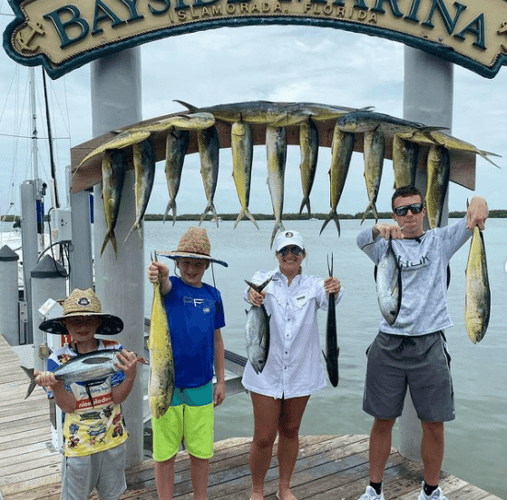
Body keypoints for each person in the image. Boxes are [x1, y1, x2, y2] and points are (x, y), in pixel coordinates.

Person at [356, 185, 488, 500]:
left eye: (415, 208)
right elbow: (361, 239)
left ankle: (430, 490)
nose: (409, 216)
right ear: (393, 214)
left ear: (424, 211)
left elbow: (478, 213)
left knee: (434, 423)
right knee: (382, 420)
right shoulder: (382, 244)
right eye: (401, 211)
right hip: (388, 343)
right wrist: (378, 228)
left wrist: (479, 203)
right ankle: (374, 490)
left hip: (430, 344)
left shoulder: (441, 241)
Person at [243, 229, 343, 500]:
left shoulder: (313, 285)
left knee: (290, 431)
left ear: (303, 255)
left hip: (301, 371)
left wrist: (336, 287)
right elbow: (249, 293)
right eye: (284, 250)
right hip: (266, 371)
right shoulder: (262, 280)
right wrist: (254, 296)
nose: (290, 255)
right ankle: (257, 489)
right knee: (263, 436)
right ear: (276, 255)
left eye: (295, 250)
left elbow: (329, 298)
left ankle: (284, 487)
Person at [34, 288, 140, 500]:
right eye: (75, 321)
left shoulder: (115, 349)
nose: (82, 326)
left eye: (89, 320)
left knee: (112, 495)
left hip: (113, 439)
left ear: (98, 323)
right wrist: (54, 386)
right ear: (65, 325)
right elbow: (69, 406)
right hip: (78, 444)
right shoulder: (58, 359)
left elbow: (117, 398)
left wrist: (130, 377)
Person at [147, 226, 227, 500]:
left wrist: (221, 381)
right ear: (177, 264)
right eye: (186, 263)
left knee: (201, 452)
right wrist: (161, 275)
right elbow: (164, 283)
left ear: (206, 265)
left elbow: (218, 341)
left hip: (202, 385)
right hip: (166, 387)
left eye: (197, 264)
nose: (191, 269)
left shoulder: (213, 296)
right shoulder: (170, 290)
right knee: (164, 452)